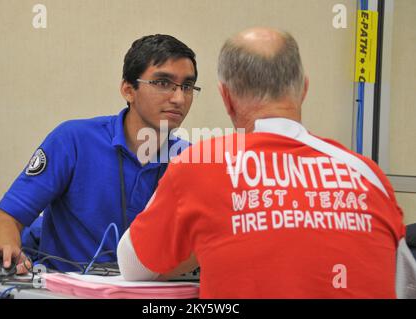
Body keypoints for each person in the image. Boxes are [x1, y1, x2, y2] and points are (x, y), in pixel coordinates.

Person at [117, 27, 414, 298]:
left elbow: (132, 265)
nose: (178, 99)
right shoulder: (369, 174)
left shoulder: (199, 164)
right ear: (304, 89)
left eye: (186, 87)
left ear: (227, 98)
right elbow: (405, 285)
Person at [0, 34, 200, 275]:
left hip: (146, 291)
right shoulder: (74, 140)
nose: (179, 98)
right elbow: (7, 218)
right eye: (163, 83)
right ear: (128, 90)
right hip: (62, 288)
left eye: (187, 87)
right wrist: (7, 251)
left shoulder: (191, 160)